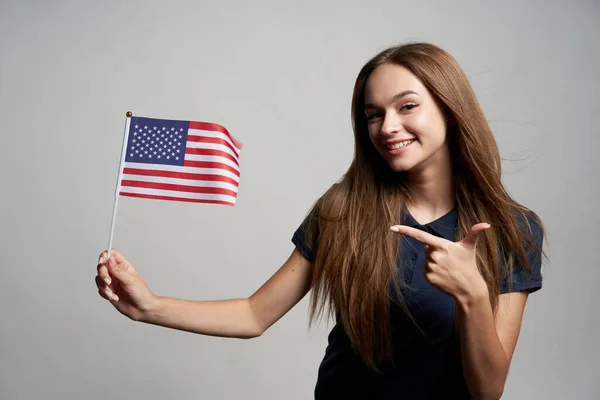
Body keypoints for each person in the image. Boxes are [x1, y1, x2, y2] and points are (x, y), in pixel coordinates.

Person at [95, 42, 545, 399]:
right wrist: (149, 306)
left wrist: (470, 295)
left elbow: (488, 390)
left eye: (407, 107)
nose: (387, 127)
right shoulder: (342, 209)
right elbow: (255, 314)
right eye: (374, 114)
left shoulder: (512, 229)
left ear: (449, 108)